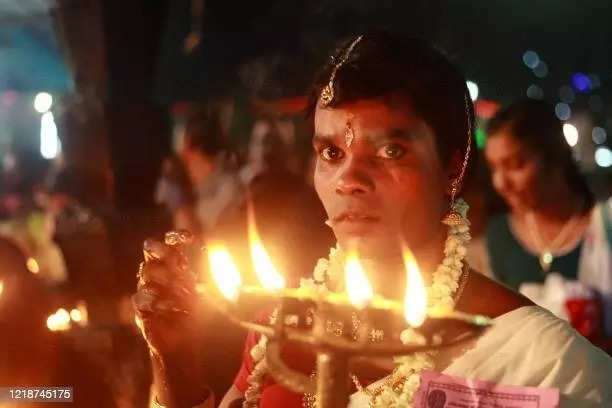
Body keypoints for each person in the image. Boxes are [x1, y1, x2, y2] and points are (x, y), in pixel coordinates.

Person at [133, 32, 612, 408]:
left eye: (390, 150)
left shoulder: (543, 363)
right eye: (331, 151)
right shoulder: (281, 331)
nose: (349, 179)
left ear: (453, 165)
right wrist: (174, 364)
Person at [481, 100, 612, 337]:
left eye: (515, 165)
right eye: (494, 168)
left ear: (554, 156)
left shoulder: (605, 227)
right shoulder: (500, 236)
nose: (501, 183)